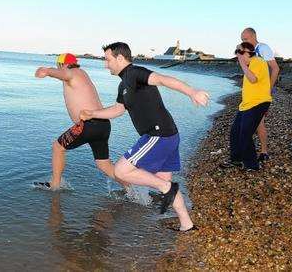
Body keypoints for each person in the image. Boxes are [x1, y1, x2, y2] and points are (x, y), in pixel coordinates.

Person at [80, 42, 209, 231]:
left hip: (158, 135)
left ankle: (166, 189)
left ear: (120, 58)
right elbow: (117, 110)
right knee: (164, 180)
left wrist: (192, 92)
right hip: (168, 135)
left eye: (107, 60)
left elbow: (163, 80)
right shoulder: (123, 84)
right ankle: (186, 224)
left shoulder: (135, 73)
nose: (105, 64)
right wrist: (93, 114)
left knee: (121, 171)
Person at [34, 53, 127, 189]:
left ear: (61, 64)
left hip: (88, 124)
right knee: (104, 164)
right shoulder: (81, 73)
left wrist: (46, 71)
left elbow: (64, 74)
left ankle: (55, 185)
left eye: (58, 65)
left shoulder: (71, 73)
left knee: (57, 147)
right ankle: (130, 188)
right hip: (102, 124)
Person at [221, 42, 272, 171]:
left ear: (248, 52)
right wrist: (243, 62)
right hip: (246, 105)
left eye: (240, 52)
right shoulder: (250, 65)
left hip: (258, 103)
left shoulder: (258, 61)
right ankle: (236, 160)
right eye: (237, 52)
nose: (238, 55)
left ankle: (252, 165)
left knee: (245, 133)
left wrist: (242, 63)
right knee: (235, 132)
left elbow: (253, 79)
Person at [241, 28, 280, 162]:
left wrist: (268, 89)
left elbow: (275, 68)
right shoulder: (248, 51)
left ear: (254, 36)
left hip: (262, 94)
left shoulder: (262, 48)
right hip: (252, 93)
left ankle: (263, 152)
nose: (244, 42)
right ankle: (260, 152)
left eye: (246, 39)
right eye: (242, 40)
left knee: (259, 122)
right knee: (257, 123)